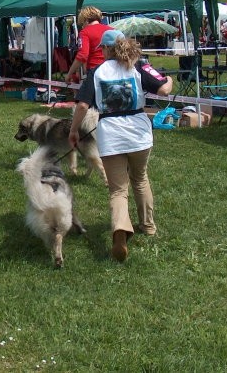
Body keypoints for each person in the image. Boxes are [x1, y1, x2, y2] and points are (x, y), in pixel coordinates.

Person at [68, 30, 173, 262]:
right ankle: (148, 226)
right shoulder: (137, 66)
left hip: (111, 135)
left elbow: (83, 106)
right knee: (140, 178)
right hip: (139, 133)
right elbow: (165, 89)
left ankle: (119, 231)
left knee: (118, 190)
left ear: (105, 50)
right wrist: (170, 80)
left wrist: (74, 130)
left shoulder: (96, 72)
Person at [66, 6, 112, 83]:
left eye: (82, 23)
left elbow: (82, 55)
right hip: (112, 70)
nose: (82, 26)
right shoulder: (112, 30)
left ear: (86, 20)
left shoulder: (85, 32)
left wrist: (69, 73)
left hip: (95, 71)